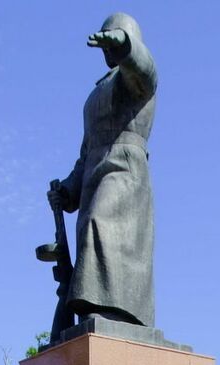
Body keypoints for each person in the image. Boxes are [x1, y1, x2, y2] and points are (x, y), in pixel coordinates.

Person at [47, 13, 156, 335]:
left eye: (116, 38)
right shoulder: (97, 90)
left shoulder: (136, 79)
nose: (108, 47)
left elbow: (147, 70)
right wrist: (68, 189)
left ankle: (118, 314)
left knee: (100, 225)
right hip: (94, 170)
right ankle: (96, 313)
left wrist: (127, 47)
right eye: (107, 39)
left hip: (124, 169)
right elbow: (85, 152)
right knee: (88, 243)